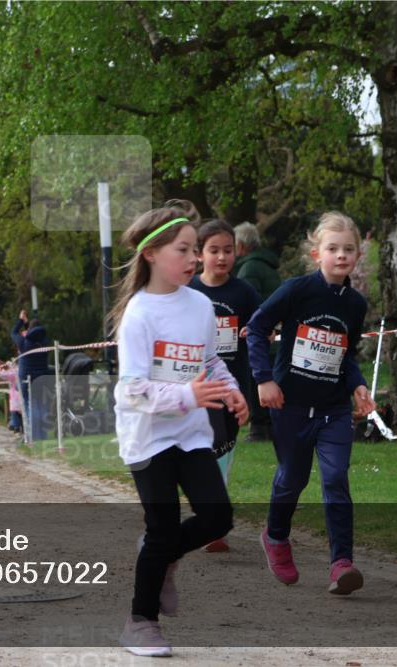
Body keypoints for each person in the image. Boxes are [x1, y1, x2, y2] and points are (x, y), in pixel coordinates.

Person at [110, 203, 248, 656]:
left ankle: (164, 555)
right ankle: (140, 622)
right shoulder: (139, 313)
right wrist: (189, 396)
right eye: (183, 250)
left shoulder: (201, 305)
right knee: (163, 528)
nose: (194, 259)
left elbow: (210, 362)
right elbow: (131, 390)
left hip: (190, 433)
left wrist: (230, 391)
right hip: (148, 435)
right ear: (151, 253)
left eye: (195, 250)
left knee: (217, 517)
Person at [246, 211, 377, 596]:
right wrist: (264, 378)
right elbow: (255, 327)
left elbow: (346, 354)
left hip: (333, 409)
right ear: (316, 252)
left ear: (357, 255)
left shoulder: (355, 304)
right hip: (289, 404)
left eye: (348, 249)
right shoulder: (296, 290)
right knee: (292, 480)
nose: (341, 255)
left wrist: (358, 386)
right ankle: (276, 537)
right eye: (332, 248)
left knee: (335, 479)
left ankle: (342, 563)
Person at [188, 219, 262, 552]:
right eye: (214, 250)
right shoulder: (189, 292)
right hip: (196, 387)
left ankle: (212, 515)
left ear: (237, 252)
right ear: (199, 254)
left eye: (228, 251)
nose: (221, 257)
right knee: (201, 449)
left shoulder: (244, 293)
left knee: (225, 450)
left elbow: (260, 331)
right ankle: (211, 518)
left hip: (233, 386)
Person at [234, 221, 282, 442]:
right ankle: (270, 425)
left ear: (241, 246)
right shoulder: (269, 267)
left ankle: (258, 428)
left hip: (257, 334)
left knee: (256, 379)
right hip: (273, 334)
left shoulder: (249, 269)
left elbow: (247, 303)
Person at [11, 309, 50, 441]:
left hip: (26, 379)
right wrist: (28, 324)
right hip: (41, 378)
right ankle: (42, 435)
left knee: (29, 405)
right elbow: (34, 334)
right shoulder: (45, 343)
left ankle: (32, 435)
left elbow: (14, 332)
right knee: (41, 405)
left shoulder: (23, 343)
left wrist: (21, 320)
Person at [0, 359, 23, 435]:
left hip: (15, 395)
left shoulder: (12, 372)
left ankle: (16, 428)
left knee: (15, 411)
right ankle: (20, 428)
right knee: (21, 412)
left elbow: (1, 374)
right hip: (22, 394)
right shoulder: (20, 369)